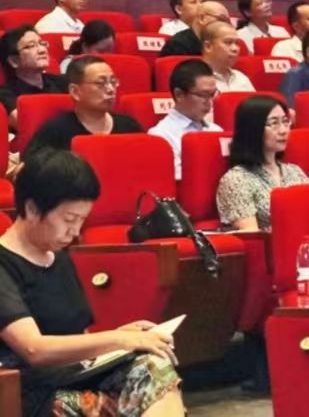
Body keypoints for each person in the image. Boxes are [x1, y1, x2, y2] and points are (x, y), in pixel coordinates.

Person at [0, 150, 184, 417]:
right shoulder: (4, 264)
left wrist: (122, 335)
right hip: (32, 392)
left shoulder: (59, 258)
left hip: (77, 375)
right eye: (68, 219)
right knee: (136, 399)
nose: (75, 231)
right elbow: (34, 349)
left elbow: (78, 336)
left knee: (152, 365)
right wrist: (119, 339)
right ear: (32, 209)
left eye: (82, 220)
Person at [216, 95, 309, 231]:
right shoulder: (236, 180)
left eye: (285, 121)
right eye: (274, 123)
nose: (284, 130)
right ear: (253, 128)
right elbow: (252, 236)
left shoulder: (295, 172)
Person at [26, 57, 144, 157]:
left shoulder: (129, 126)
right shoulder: (55, 132)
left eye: (113, 82)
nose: (111, 89)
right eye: (100, 83)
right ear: (75, 91)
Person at [148, 59, 223, 180]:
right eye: (203, 95)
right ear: (179, 95)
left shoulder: (217, 130)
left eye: (212, 94)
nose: (209, 102)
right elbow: (179, 182)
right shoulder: (160, 136)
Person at [0, 26, 67, 131]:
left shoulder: (63, 81)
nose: (42, 50)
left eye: (42, 43)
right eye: (31, 46)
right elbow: (25, 123)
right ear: (14, 61)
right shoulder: (5, 93)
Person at [159, 0, 230, 58]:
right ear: (202, 18)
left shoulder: (220, 44)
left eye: (227, 21)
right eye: (221, 19)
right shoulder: (177, 45)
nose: (225, 25)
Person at [201, 21, 254, 93]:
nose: (235, 49)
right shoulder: (194, 79)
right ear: (208, 46)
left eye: (237, 43)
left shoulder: (241, 78)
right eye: (228, 42)